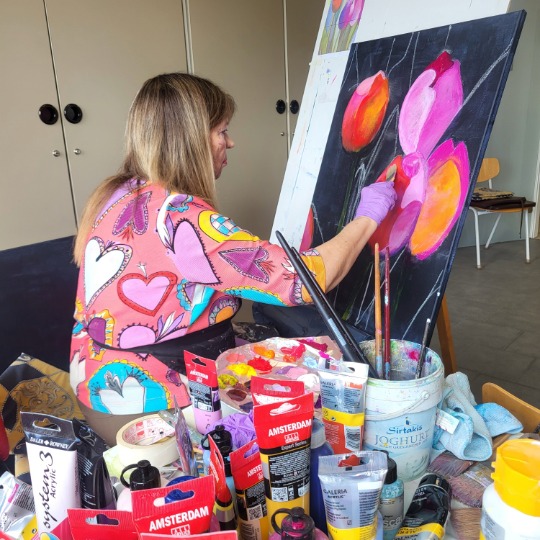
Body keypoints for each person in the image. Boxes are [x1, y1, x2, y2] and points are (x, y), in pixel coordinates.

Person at [70, 72, 396, 445]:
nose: (230, 142)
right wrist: (368, 216)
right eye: (222, 131)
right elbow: (304, 281)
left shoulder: (119, 193)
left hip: (101, 386)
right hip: (148, 403)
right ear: (192, 139)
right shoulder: (179, 217)